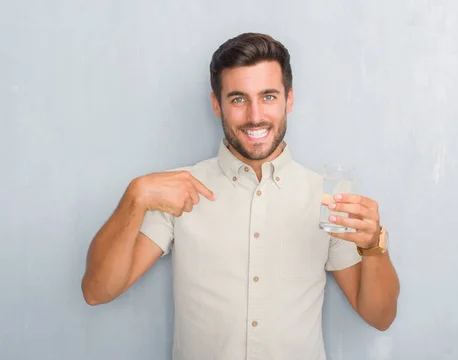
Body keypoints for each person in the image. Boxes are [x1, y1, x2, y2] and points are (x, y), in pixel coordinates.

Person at [81, 32, 400, 360]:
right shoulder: (178, 192)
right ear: (216, 104)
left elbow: (380, 316)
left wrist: (374, 245)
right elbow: (97, 291)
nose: (254, 116)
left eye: (269, 97)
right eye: (238, 99)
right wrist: (135, 196)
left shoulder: (327, 199)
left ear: (289, 99)